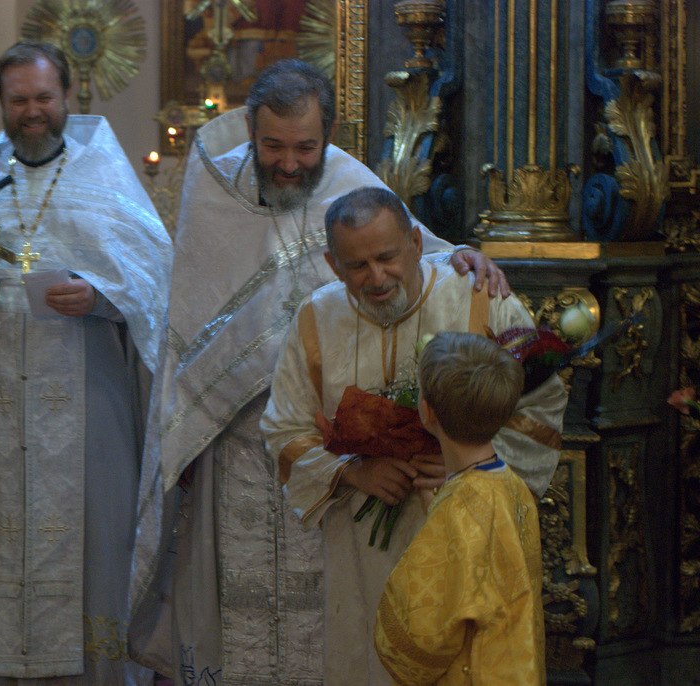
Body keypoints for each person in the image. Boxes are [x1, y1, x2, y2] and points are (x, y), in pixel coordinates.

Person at [128, 59, 509, 685]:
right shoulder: (212, 191)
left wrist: (465, 254)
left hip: (335, 448)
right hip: (236, 444)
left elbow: (415, 250)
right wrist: (186, 430)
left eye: (305, 147)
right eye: (273, 146)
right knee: (245, 611)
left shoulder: (350, 181)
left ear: (328, 133)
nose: (289, 164)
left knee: (330, 615)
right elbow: (188, 318)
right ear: (250, 131)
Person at [0, 41, 172, 685]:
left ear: (67, 97)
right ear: (2, 104)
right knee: (7, 547)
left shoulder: (105, 180)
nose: (33, 111)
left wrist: (101, 297)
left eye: (45, 97)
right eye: (19, 100)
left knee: (97, 550)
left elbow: (156, 288)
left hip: (92, 411)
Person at [260, 187, 566, 685]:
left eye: (387, 258)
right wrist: (353, 471)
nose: (377, 278)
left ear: (417, 245)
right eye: (357, 266)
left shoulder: (480, 297)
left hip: (468, 534)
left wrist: (467, 462)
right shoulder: (316, 319)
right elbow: (284, 427)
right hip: (360, 543)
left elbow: (542, 405)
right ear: (333, 266)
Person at [374, 331, 546, 685]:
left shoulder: (457, 510)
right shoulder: (514, 486)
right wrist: (438, 510)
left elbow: (418, 641)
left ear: (426, 411)